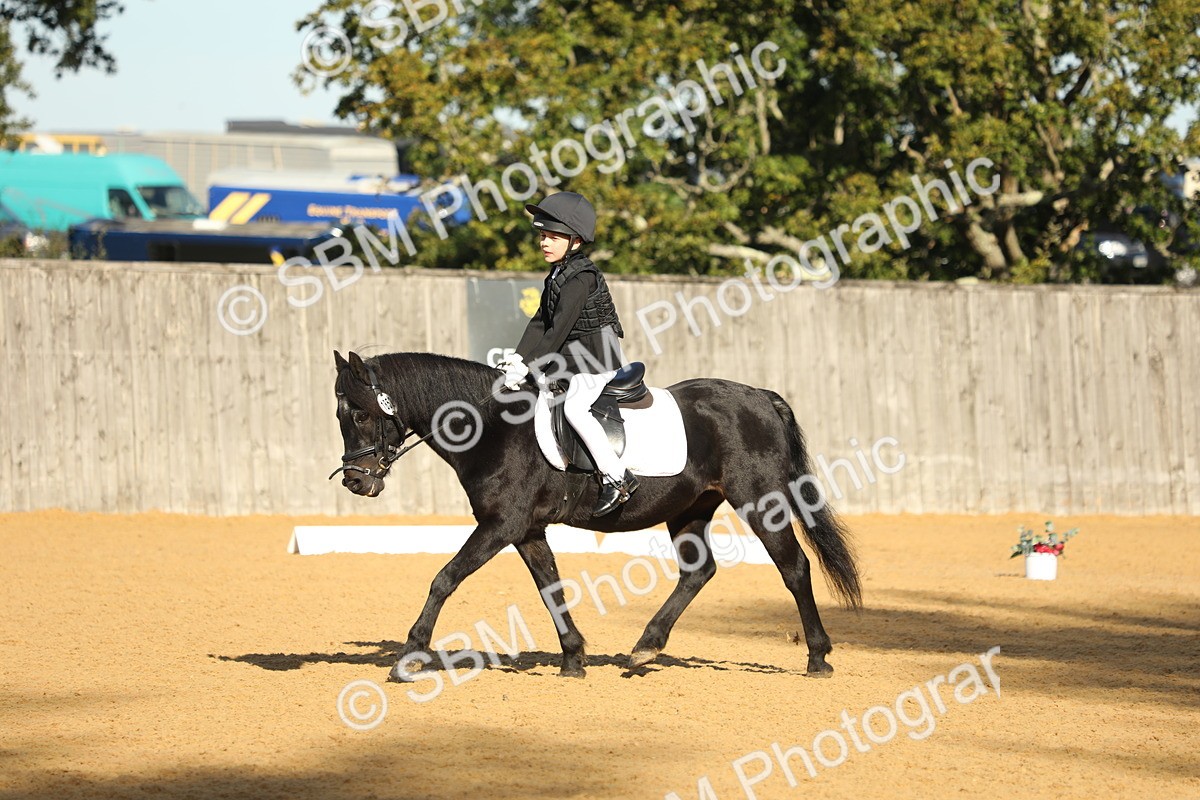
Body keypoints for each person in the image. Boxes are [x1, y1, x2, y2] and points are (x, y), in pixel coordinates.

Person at [496, 191, 639, 517]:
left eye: (553, 237)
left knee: (575, 407)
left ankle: (618, 479)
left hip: (596, 357)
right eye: (542, 235)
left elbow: (558, 330)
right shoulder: (557, 275)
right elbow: (539, 322)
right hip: (573, 357)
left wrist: (531, 365)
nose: (544, 242)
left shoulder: (581, 278)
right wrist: (518, 359)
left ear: (575, 241)